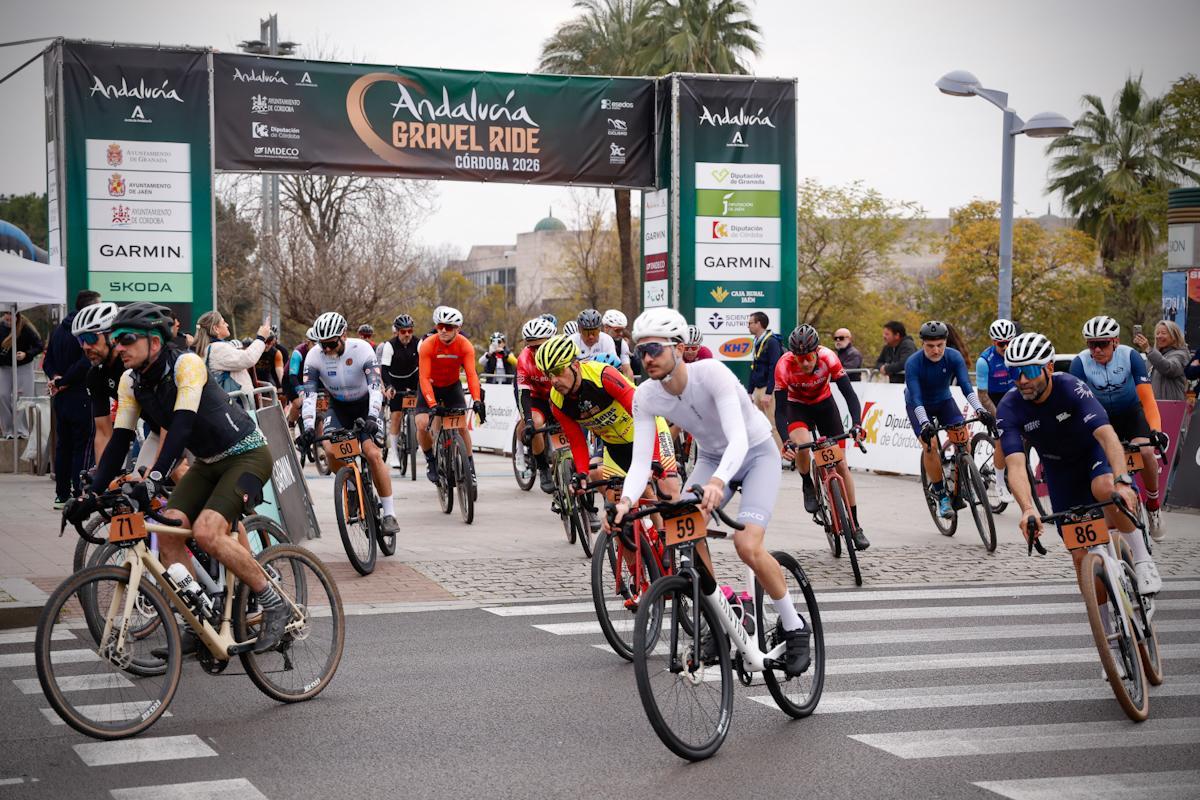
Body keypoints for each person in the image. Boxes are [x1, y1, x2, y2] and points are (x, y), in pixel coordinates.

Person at [71, 302, 291, 654]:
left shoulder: (186, 364)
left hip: (246, 454)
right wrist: (90, 497)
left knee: (206, 532)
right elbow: (120, 441)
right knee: (168, 536)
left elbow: (181, 426)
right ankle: (200, 620)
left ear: (154, 343)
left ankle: (272, 601)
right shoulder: (131, 381)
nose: (119, 346)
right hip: (207, 462)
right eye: (115, 339)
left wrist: (154, 479)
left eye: (127, 339)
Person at [607, 307, 811, 677]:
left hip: (754, 453)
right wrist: (624, 503)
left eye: (654, 348)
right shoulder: (646, 396)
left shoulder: (711, 373)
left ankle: (795, 626)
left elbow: (737, 438)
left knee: (746, 545)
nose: (647, 358)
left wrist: (718, 483)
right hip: (713, 460)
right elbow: (639, 463)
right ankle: (722, 616)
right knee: (682, 531)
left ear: (680, 348)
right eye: (641, 351)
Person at [998, 332, 1162, 597]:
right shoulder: (1009, 407)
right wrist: (1027, 508)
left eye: (1029, 370)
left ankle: (1143, 560)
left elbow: (1108, 437)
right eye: (1014, 373)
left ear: (1049, 367)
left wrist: (1122, 481)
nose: (1023, 380)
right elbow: (1016, 465)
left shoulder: (1070, 387)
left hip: (1091, 453)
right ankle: (1109, 632)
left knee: (1104, 486)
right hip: (1059, 471)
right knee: (1079, 558)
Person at [538, 334, 679, 529]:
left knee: (668, 490)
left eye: (558, 371)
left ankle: (681, 546)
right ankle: (636, 554)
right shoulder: (557, 402)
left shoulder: (603, 376)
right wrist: (581, 474)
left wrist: (653, 459)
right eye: (548, 374)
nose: (554, 380)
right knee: (617, 514)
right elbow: (577, 441)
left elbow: (644, 416)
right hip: (615, 447)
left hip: (647, 432)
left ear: (575, 365)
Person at [298, 312, 400, 537]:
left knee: (372, 453)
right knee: (331, 452)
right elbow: (310, 395)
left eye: (331, 343)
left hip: (365, 406)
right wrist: (306, 427)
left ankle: (389, 514)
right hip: (339, 407)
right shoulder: (314, 357)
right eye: (322, 344)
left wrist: (373, 417)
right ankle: (352, 486)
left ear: (343, 335)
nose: (326, 349)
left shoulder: (362, 349)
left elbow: (375, 387)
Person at [1070, 315, 1167, 542]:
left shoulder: (1130, 356)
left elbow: (1147, 398)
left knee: (1144, 451)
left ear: (1115, 341)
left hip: (1130, 413)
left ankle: (1153, 504)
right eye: (1091, 344)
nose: (1096, 350)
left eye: (1102, 343)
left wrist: (1155, 429)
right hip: (1100, 417)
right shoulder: (1080, 362)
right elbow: (1075, 405)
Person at [776, 324, 869, 549]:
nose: (805, 363)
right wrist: (786, 441)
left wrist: (857, 424)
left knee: (842, 466)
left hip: (824, 405)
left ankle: (855, 525)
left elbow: (850, 395)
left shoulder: (830, 358)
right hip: (797, 408)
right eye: (799, 358)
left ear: (816, 351)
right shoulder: (783, 366)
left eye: (808, 357)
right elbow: (779, 411)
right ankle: (807, 483)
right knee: (803, 446)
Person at [905, 320, 992, 519]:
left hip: (944, 401)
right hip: (918, 405)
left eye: (940, 345)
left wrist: (979, 409)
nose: (936, 350)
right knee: (930, 444)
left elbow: (966, 387)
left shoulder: (954, 357)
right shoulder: (913, 363)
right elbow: (916, 397)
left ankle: (958, 473)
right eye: (930, 346)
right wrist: (925, 423)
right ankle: (942, 494)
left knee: (963, 440)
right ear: (922, 344)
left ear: (946, 342)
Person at [416, 306, 484, 484]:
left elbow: (471, 375)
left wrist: (477, 399)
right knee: (422, 424)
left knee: (461, 426)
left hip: (452, 386)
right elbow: (423, 377)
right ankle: (431, 460)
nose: (443, 330)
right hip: (430, 385)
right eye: (440, 326)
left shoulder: (465, 345)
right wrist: (431, 404)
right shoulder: (428, 345)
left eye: (449, 327)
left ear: (457, 329)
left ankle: (469, 466)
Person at [45, 291, 100, 506]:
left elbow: (48, 360)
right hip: (80, 395)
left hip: (62, 397)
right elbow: (85, 362)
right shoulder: (85, 331)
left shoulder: (59, 329)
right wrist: (62, 381)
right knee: (82, 446)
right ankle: (79, 493)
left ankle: (61, 494)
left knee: (64, 445)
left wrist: (56, 379)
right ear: (89, 308)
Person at [976, 319, 1018, 504]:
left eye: (1010, 342)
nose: (1006, 347)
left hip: (1014, 394)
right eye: (1002, 344)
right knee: (1001, 440)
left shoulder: (1017, 354)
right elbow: (983, 396)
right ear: (994, 342)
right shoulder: (985, 361)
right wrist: (999, 416)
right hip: (993, 400)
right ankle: (1000, 483)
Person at [515, 317, 558, 493]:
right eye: (532, 347)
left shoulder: (561, 352)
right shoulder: (524, 359)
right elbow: (523, 394)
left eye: (541, 346)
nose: (536, 351)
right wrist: (529, 421)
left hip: (557, 394)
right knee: (535, 422)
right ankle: (543, 468)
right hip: (533, 394)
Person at [193, 311, 270, 398]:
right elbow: (248, 358)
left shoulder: (209, 348)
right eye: (223, 322)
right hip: (236, 403)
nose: (227, 325)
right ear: (216, 329)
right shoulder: (218, 349)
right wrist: (261, 338)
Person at [379, 314, 420, 468]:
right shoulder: (389, 346)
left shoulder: (418, 343)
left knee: (419, 412)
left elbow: (424, 364)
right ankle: (394, 453)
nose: (407, 334)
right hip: (395, 381)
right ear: (396, 332)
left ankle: (415, 435)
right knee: (396, 416)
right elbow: (385, 370)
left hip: (412, 378)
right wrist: (389, 387)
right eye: (403, 332)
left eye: (409, 331)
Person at [0, 311, 43, 438]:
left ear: (17, 315)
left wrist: (26, 354)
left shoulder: (25, 327)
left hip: (23, 366)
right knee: (2, 395)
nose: (8, 319)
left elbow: (39, 346)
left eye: (11, 316)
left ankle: (21, 430)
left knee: (23, 397)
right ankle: (8, 430)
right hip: (4, 366)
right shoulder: (1, 327)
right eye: (6, 316)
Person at [746, 311, 783, 446]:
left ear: (759, 324)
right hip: (757, 389)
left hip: (768, 390)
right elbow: (754, 367)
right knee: (758, 426)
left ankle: (779, 457)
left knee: (772, 424)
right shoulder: (756, 341)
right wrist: (749, 391)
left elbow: (774, 367)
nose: (748, 326)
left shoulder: (772, 341)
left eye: (750, 323)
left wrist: (769, 393)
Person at [1134, 320, 1189, 402]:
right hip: (1153, 406)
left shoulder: (1181, 354)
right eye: (1157, 333)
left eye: (1163, 333)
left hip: (1171, 406)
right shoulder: (1154, 354)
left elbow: (1168, 368)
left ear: (1174, 336)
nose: (1159, 336)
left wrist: (1148, 349)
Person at [602, 309, 637, 379]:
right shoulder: (597, 340)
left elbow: (627, 370)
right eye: (617, 330)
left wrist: (632, 388)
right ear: (606, 328)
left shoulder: (622, 343)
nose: (621, 333)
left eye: (622, 330)